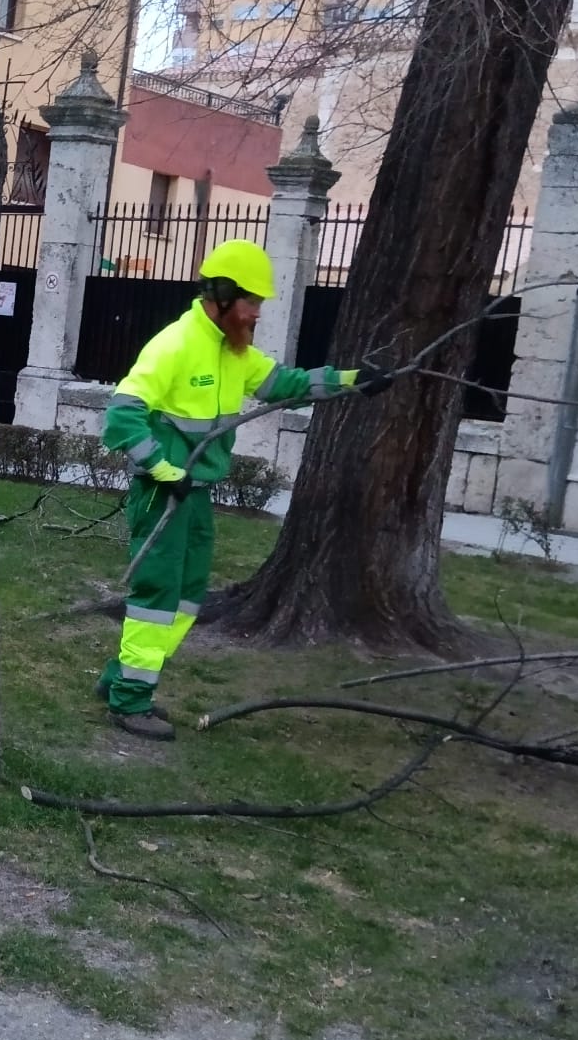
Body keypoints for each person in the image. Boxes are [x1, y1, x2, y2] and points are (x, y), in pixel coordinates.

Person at [97, 239, 388, 740]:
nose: (256, 314)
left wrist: (353, 380)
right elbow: (120, 415)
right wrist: (164, 470)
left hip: (196, 492)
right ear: (222, 295)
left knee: (188, 599)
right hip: (161, 494)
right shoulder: (175, 344)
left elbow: (286, 383)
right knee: (157, 597)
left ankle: (123, 677)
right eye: (251, 302)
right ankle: (130, 701)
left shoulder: (237, 353)